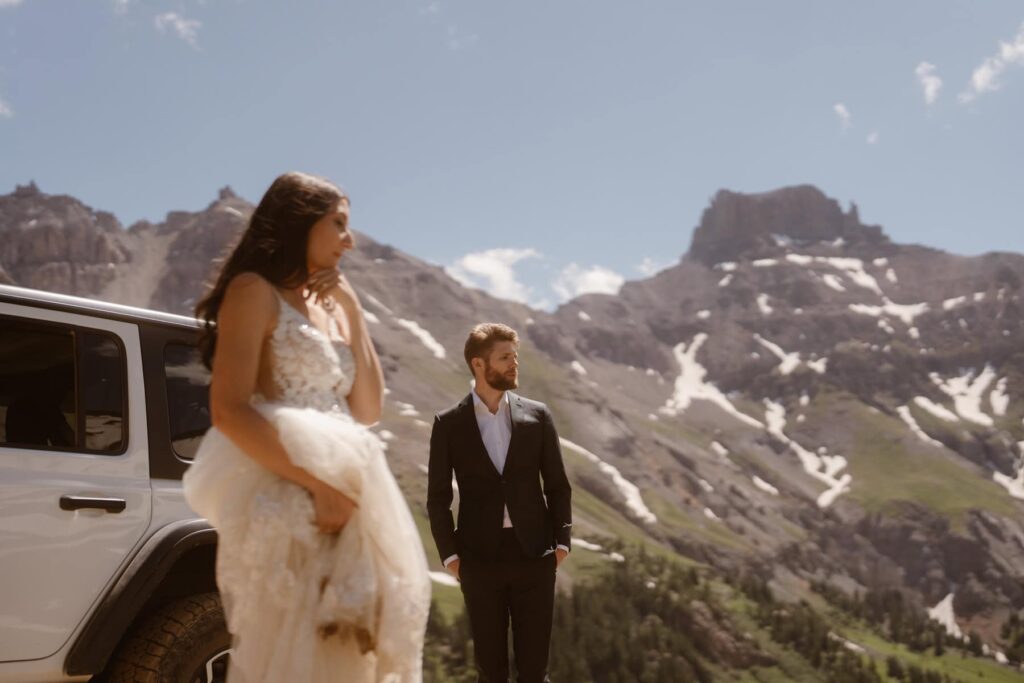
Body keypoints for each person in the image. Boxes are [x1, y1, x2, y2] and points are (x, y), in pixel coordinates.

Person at [182, 171, 430, 682]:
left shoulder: (328, 309)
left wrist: (354, 312)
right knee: (296, 656)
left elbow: (366, 410)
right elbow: (229, 409)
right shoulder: (253, 291)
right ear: (300, 222)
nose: (350, 239)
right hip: (295, 499)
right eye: (338, 223)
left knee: (353, 653)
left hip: (349, 497)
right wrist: (319, 488)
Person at [427, 323, 572, 683]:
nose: (514, 364)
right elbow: (438, 497)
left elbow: (557, 484)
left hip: (535, 556)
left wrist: (562, 543)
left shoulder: (537, 416)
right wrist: (451, 557)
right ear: (479, 364)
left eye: (515, 356)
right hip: (478, 561)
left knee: (535, 671)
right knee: (491, 671)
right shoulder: (449, 424)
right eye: (505, 357)